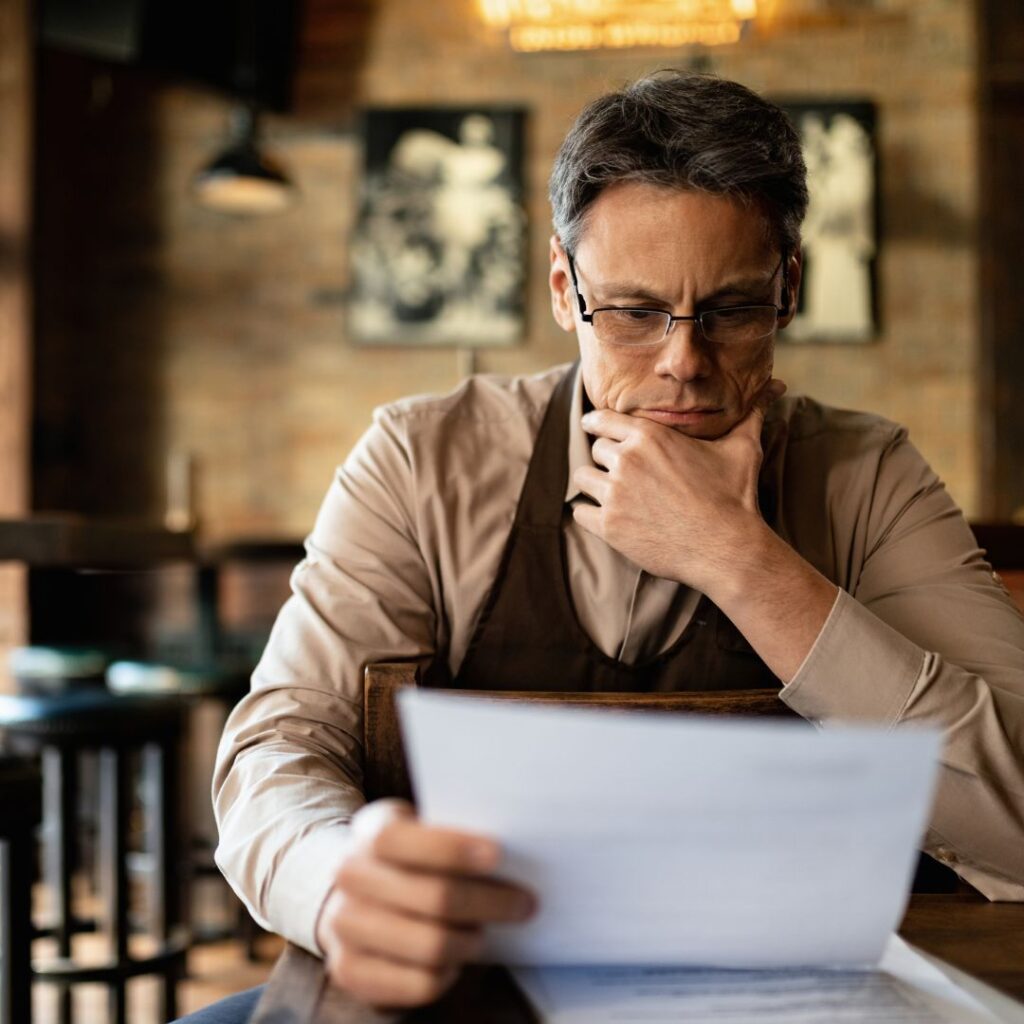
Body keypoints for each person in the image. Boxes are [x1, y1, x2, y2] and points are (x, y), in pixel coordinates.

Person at [181, 72, 1024, 1022]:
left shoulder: (869, 476)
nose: (683, 360)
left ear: (790, 288)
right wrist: (337, 880)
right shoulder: (423, 459)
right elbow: (278, 747)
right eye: (630, 312)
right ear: (561, 287)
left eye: (733, 309)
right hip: (474, 991)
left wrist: (739, 562)